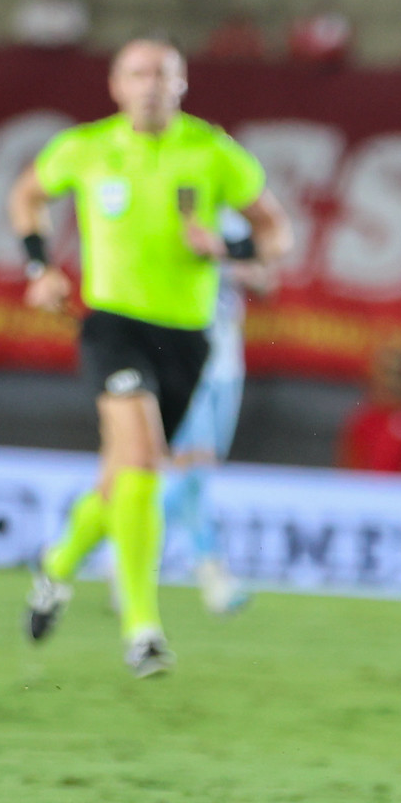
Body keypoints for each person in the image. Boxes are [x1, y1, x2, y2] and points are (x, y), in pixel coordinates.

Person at [10, 39, 291, 676]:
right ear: (116, 85)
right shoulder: (85, 147)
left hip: (187, 341)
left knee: (124, 477)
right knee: (140, 458)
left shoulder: (214, 152)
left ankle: (55, 567)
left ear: (183, 85)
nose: (151, 85)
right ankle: (142, 628)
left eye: (164, 74)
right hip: (112, 325)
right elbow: (26, 196)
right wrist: (38, 265)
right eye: (138, 74)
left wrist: (227, 246)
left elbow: (277, 232)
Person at [164, 215, 269, 615]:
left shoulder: (232, 221)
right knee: (194, 469)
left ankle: (121, 546)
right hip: (188, 358)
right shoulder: (171, 212)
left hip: (228, 363)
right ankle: (213, 577)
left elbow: (263, 279)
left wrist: (223, 254)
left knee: (198, 471)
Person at [339, 340, 401, 473]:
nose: (395, 384)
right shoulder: (363, 420)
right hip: (364, 490)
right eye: (388, 374)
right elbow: (348, 467)